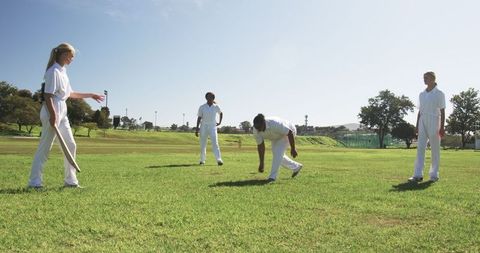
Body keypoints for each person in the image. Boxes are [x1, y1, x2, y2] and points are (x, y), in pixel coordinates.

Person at [28, 43, 104, 188]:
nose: (72, 59)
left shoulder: (63, 71)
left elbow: (70, 94)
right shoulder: (53, 71)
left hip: (62, 109)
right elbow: (48, 95)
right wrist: (53, 115)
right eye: (71, 56)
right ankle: (34, 182)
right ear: (63, 54)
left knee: (70, 145)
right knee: (45, 148)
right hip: (52, 109)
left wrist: (90, 95)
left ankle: (71, 181)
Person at [409, 71, 446, 182]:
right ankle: (417, 175)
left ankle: (434, 175)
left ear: (433, 79)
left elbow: (443, 111)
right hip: (422, 121)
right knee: (420, 148)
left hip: (435, 120)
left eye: (427, 78)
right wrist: (416, 125)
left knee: (435, 149)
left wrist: (442, 127)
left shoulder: (440, 94)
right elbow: (420, 111)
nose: (424, 79)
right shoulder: (422, 94)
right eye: (424, 78)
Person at [253, 114, 303, 182]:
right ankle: (296, 167)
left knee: (277, 154)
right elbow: (261, 146)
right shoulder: (256, 130)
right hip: (276, 137)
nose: (258, 130)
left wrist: (293, 148)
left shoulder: (274, 124)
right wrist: (261, 163)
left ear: (264, 123)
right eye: (256, 128)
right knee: (278, 155)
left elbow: (289, 133)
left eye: (259, 128)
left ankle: (272, 177)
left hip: (289, 132)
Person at [195, 92, 224, 166]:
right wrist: (197, 128)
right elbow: (199, 117)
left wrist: (219, 122)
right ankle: (202, 160)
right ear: (206, 98)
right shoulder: (202, 107)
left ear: (213, 98)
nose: (209, 98)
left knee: (215, 143)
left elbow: (221, 113)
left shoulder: (216, 106)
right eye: (208, 97)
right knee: (203, 144)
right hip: (203, 126)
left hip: (212, 126)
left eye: (211, 97)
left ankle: (219, 159)